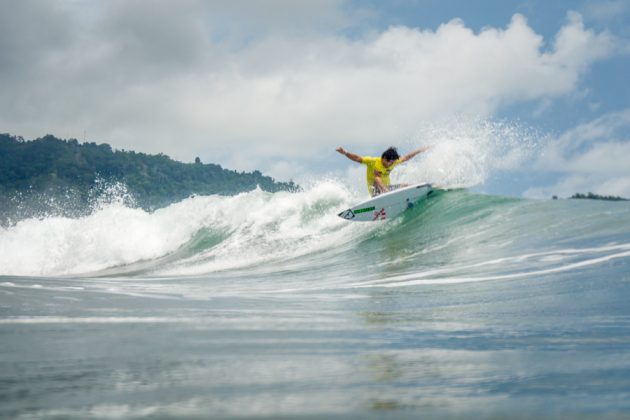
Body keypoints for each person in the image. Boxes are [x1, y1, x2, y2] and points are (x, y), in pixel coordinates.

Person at [336, 145, 430, 196]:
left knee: (404, 185)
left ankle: (424, 190)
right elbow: (357, 158)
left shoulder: (393, 162)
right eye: (389, 162)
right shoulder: (372, 161)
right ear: (384, 158)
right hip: (375, 192)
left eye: (393, 162)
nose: (391, 164)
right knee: (377, 178)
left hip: (388, 189)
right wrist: (345, 152)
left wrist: (420, 150)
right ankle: (388, 194)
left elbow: (406, 157)